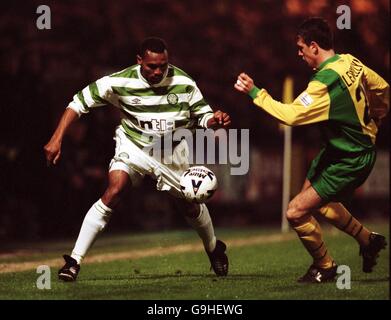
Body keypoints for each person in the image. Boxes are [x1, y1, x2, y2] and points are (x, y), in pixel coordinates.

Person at [44, 37, 231, 281]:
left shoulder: (184, 83)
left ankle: (213, 248)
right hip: (134, 146)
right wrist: (57, 138)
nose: (158, 71)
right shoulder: (120, 81)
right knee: (114, 189)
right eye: (152, 66)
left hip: (171, 152)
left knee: (188, 204)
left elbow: (204, 115)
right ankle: (74, 261)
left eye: (163, 65)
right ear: (139, 60)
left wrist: (214, 120)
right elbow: (78, 103)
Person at [234, 17, 389, 283]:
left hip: (350, 157)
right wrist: (377, 118)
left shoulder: (324, 83)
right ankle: (367, 240)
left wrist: (255, 92)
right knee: (316, 203)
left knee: (295, 211)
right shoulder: (349, 61)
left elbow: (291, 116)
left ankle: (326, 266)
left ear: (314, 47)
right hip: (339, 150)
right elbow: (383, 88)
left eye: (301, 47)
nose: (299, 53)